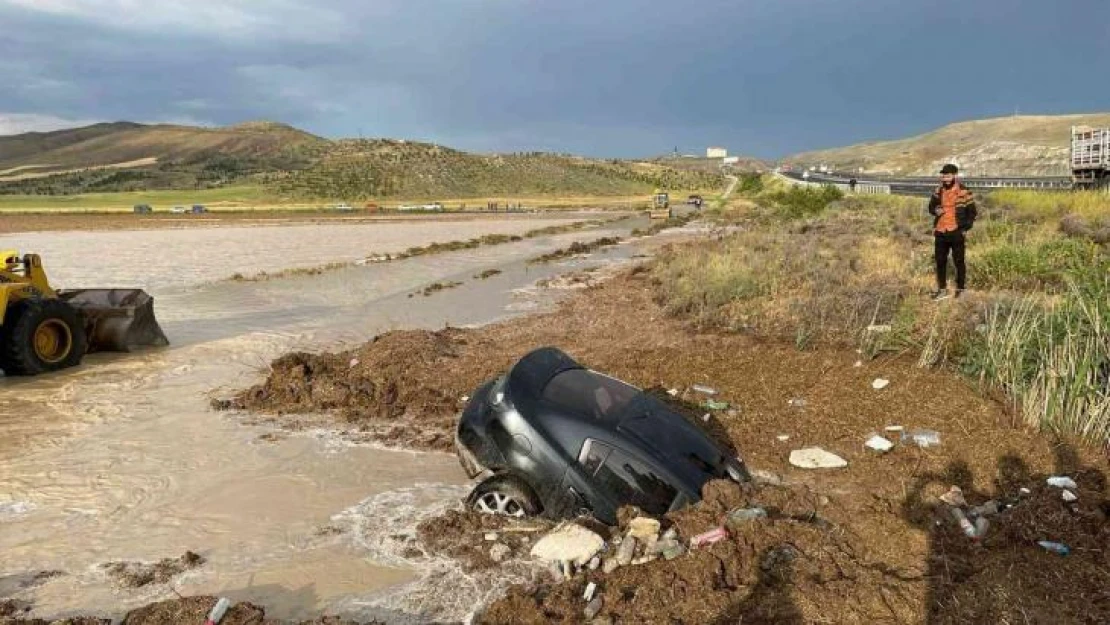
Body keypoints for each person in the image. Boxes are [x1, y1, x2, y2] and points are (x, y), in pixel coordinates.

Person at [927, 163, 977, 300]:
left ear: (954, 175)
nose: (945, 178)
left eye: (948, 175)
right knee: (940, 261)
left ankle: (961, 289)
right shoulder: (938, 190)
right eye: (943, 175)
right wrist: (935, 210)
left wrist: (964, 229)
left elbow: (972, 213)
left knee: (959, 261)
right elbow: (931, 207)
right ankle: (942, 289)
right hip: (940, 230)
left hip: (956, 231)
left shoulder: (964, 191)